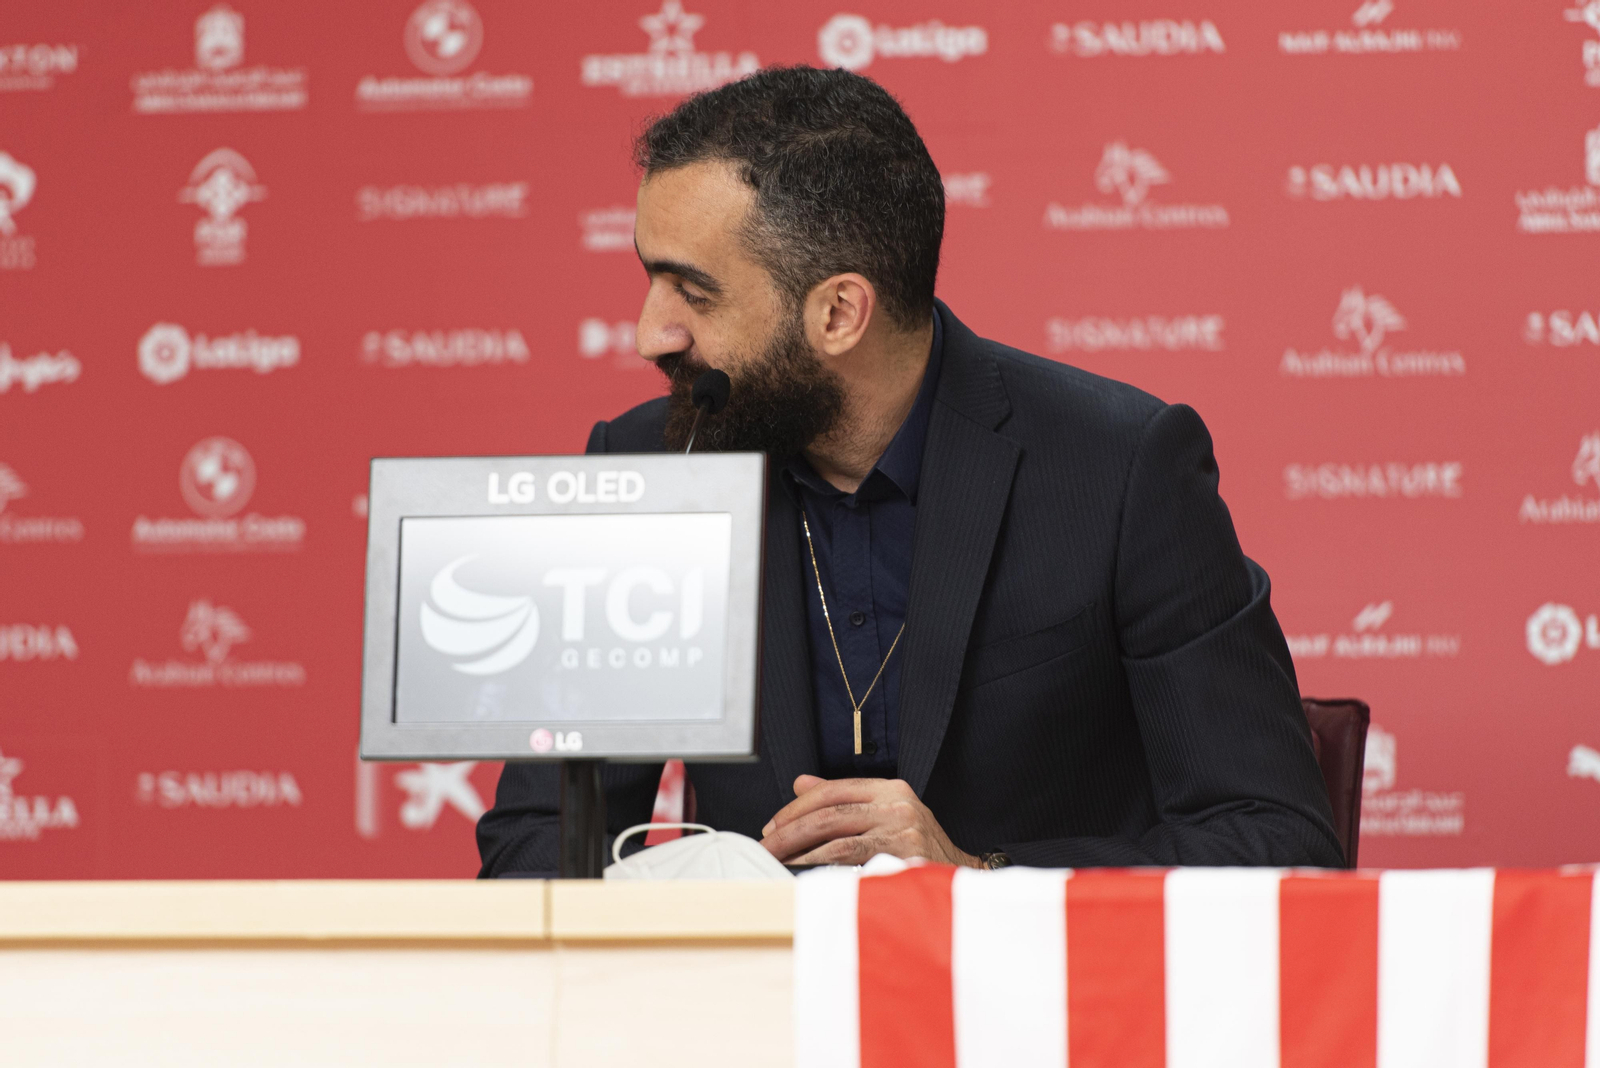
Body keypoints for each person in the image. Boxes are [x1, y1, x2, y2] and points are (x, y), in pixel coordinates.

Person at [477, 66, 1342, 875]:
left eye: (693, 293)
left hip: (1034, 1020)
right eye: (648, 278)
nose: (648, 334)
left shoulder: (1119, 469)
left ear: (841, 312)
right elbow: (537, 841)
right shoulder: (649, 471)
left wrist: (977, 879)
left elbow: (1279, 838)